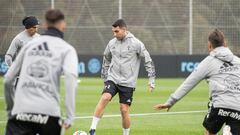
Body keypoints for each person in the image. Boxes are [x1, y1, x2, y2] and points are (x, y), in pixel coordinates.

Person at [4, 9, 78, 135]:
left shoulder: (30, 45)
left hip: (21, 112)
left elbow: (8, 79)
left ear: (44, 25)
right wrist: (70, 116)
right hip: (48, 113)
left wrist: (11, 109)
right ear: (63, 25)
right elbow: (70, 80)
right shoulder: (67, 49)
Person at [154, 29, 240, 135]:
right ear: (225, 43)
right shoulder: (238, 61)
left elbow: (189, 83)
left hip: (220, 105)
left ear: (209, 45)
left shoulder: (208, 61)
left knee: (209, 132)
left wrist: (170, 102)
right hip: (238, 107)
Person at [89, 19, 156, 135]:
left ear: (124, 29)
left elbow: (148, 61)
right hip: (112, 78)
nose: (114, 34)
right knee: (105, 97)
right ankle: (92, 129)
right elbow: (106, 59)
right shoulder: (111, 43)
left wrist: (151, 80)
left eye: (116, 31)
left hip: (128, 83)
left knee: (124, 110)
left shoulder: (136, 44)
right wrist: (105, 78)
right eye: (113, 32)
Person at [4, 16, 40, 117]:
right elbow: (8, 56)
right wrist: (12, 69)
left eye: (37, 27)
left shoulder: (39, 38)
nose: (36, 29)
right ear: (28, 27)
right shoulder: (18, 39)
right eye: (34, 27)